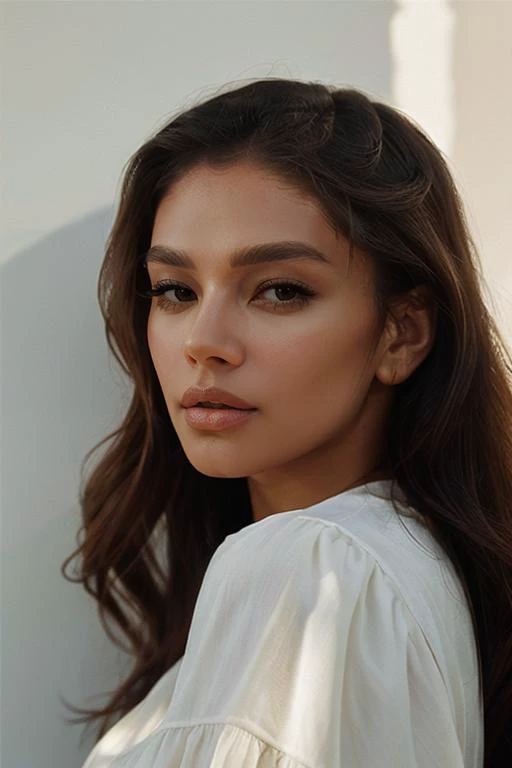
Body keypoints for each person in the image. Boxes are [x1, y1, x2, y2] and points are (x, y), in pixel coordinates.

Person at [61, 78, 512, 767]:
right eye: (175, 291)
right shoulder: (409, 565)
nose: (203, 341)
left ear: (403, 332)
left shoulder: (319, 567)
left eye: (279, 290)